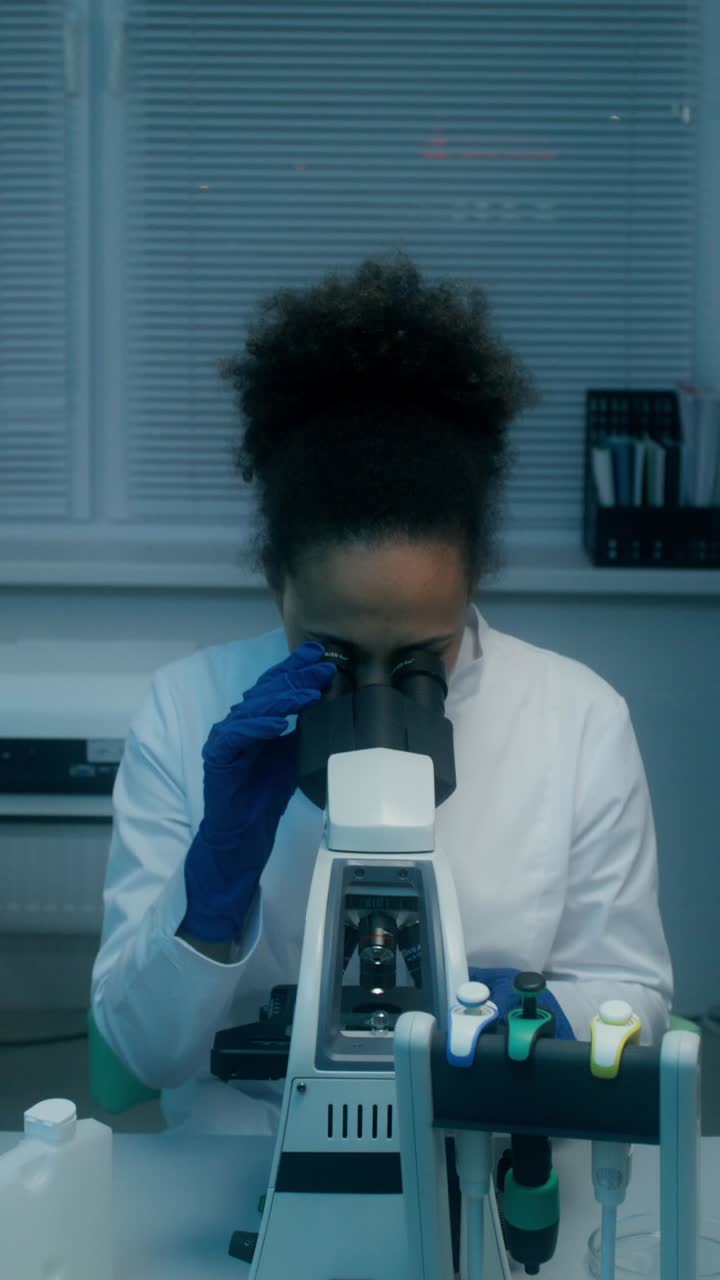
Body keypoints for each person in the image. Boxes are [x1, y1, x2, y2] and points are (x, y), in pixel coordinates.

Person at [90, 251, 673, 1135]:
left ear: (473, 580)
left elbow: (633, 994)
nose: (374, 688)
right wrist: (211, 895)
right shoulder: (185, 706)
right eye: (332, 650)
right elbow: (142, 1054)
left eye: (419, 657)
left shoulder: (578, 718)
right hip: (245, 1141)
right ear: (277, 584)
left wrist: (525, 1024)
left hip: (482, 1135)